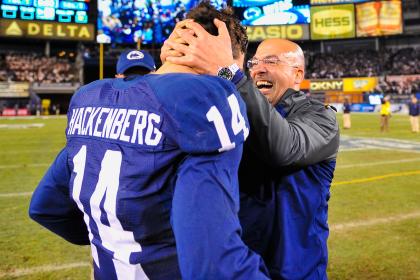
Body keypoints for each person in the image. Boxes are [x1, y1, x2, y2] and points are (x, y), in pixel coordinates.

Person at [29, 3, 269, 280]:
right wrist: (228, 74)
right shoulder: (207, 97)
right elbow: (213, 263)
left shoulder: (89, 97)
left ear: (169, 46)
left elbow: (46, 207)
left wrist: (114, 241)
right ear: (226, 56)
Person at [162, 24, 339, 279]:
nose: (258, 68)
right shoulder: (235, 109)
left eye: (272, 61)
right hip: (243, 266)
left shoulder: (321, 118)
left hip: (297, 271)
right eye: (254, 62)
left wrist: (228, 73)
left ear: (298, 75)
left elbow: (282, 148)